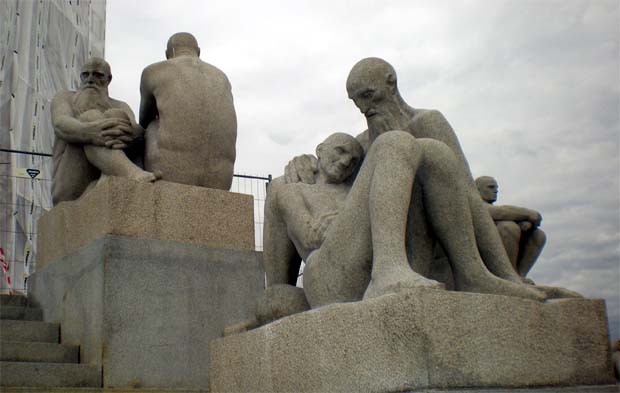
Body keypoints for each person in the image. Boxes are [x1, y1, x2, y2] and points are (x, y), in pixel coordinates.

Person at [267, 57, 579, 305]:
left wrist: (508, 275)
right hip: (331, 274)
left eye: (367, 95)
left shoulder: (424, 124)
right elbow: (307, 209)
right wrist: (304, 161)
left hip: (380, 259)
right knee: (394, 143)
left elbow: (468, 198)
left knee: (435, 152)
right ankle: (387, 271)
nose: (364, 108)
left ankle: (472, 274)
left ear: (390, 84)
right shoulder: (353, 151)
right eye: (356, 101)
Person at [139, 32, 237, 190]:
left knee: (151, 125)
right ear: (198, 52)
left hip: (168, 175)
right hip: (222, 181)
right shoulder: (222, 77)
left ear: (167, 54)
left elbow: (143, 121)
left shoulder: (153, 71)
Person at [50, 57, 156, 204]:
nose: (90, 80)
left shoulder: (120, 105)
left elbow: (137, 131)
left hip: (102, 182)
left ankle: (111, 174)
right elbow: (61, 124)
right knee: (90, 116)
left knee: (117, 116)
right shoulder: (65, 97)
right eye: (85, 75)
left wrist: (126, 131)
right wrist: (92, 131)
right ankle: (129, 173)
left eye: (97, 75)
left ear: (108, 79)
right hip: (70, 186)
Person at [475, 176, 547, 279]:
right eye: (490, 187)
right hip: (481, 252)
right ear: (477, 189)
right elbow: (500, 212)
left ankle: (520, 275)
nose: (495, 191)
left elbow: (504, 213)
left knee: (538, 235)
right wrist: (529, 214)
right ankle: (509, 276)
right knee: (508, 227)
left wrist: (526, 223)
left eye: (496, 188)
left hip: (497, 248)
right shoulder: (474, 205)